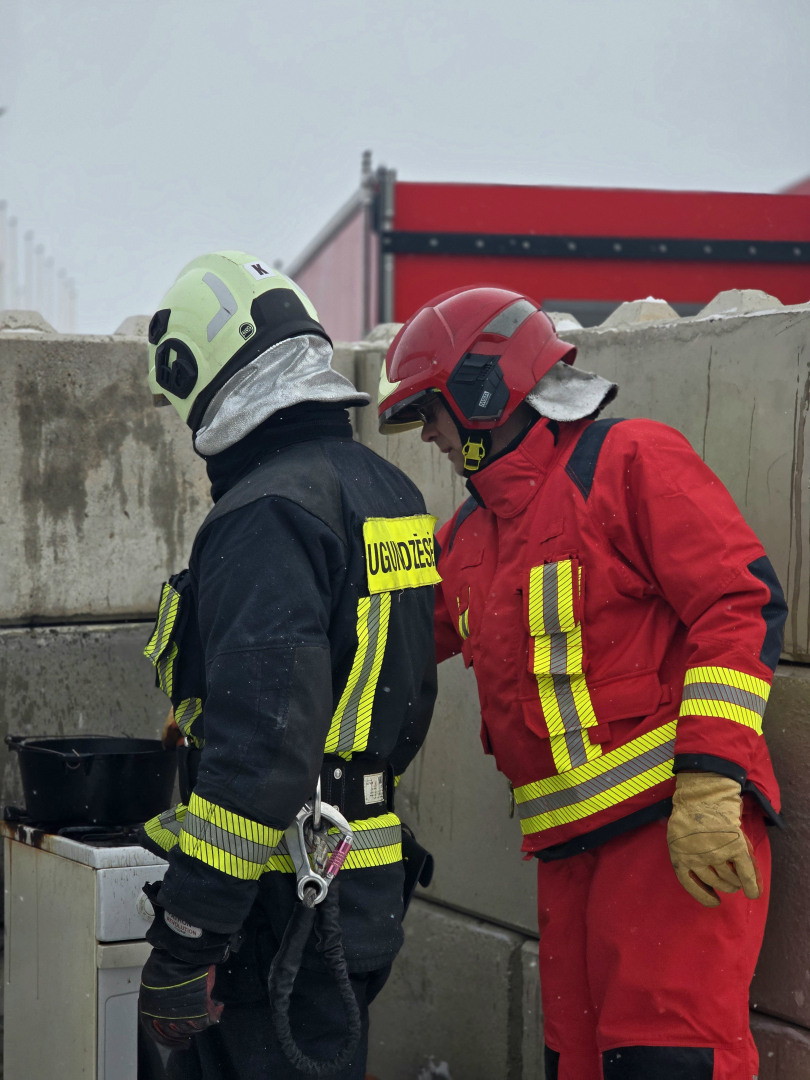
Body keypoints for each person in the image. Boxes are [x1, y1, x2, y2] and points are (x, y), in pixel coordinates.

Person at [377, 285, 787, 1080]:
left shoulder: (629, 461)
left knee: (668, 1064)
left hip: (671, 841)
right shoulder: (468, 537)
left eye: (430, 410)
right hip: (571, 861)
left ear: (481, 392)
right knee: (582, 1066)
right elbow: (386, 642)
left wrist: (708, 788)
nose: (426, 432)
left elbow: (738, 604)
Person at [137, 251, 438, 1079]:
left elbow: (262, 752)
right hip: (360, 882)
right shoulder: (386, 489)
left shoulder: (266, 509)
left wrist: (189, 933)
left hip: (273, 908)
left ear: (198, 372)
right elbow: (396, 695)